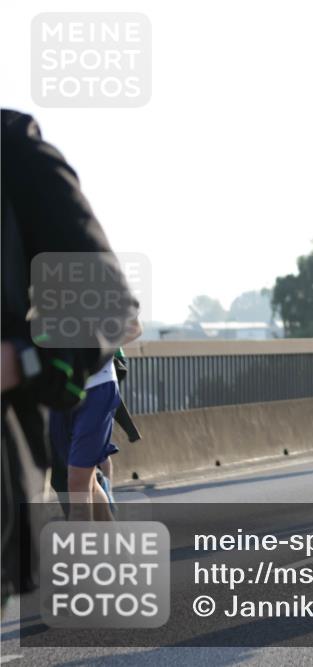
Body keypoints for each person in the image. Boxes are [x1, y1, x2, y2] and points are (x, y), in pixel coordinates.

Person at [2, 109, 138, 597]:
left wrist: (26, 359)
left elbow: (113, 303)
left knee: (78, 478)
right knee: (77, 481)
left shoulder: (13, 148)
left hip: (87, 388)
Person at [49, 319, 143, 521]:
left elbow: (133, 326)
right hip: (56, 391)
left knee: (76, 482)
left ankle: (84, 550)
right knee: (80, 480)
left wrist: (92, 352)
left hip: (97, 386)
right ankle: (117, 550)